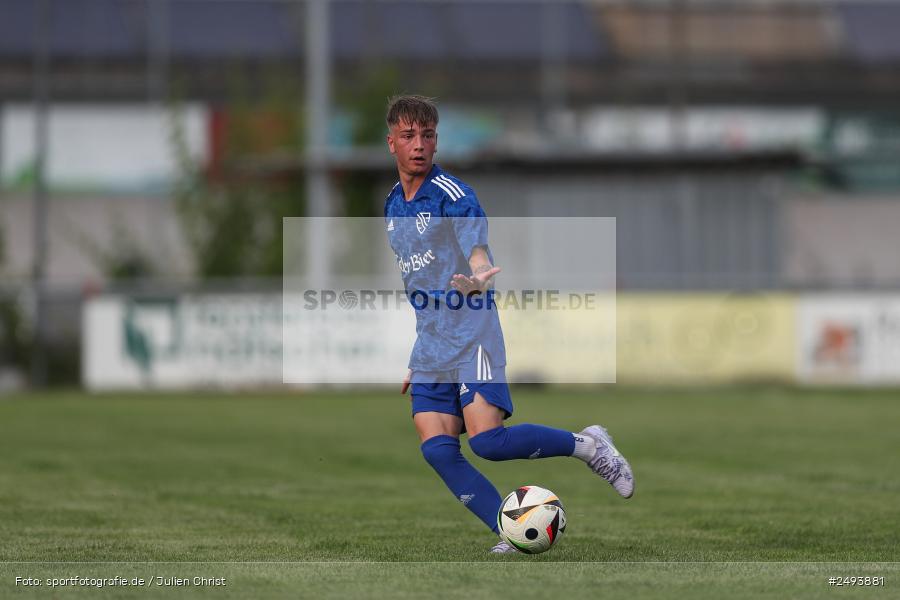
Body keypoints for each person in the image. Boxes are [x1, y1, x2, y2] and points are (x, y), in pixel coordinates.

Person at [383, 95, 633, 554]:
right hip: (434, 345)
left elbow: (476, 247)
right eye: (408, 135)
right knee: (436, 448)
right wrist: (420, 355)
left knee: (489, 443)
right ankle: (510, 531)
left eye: (427, 135)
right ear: (391, 142)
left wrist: (478, 275)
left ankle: (590, 447)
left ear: (436, 141)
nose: (419, 145)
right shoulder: (393, 205)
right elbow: (419, 284)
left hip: (474, 331)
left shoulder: (454, 195)